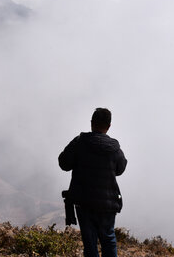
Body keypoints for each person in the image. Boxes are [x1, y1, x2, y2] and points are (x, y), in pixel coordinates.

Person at [58, 108, 127, 257]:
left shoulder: (80, 142)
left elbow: (63, 163)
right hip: (108, 204)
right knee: (109, 240)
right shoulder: (114, 148)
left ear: (91, 123)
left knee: (90, 244)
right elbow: (120, 168)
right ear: (109, 126)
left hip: (85, 203)